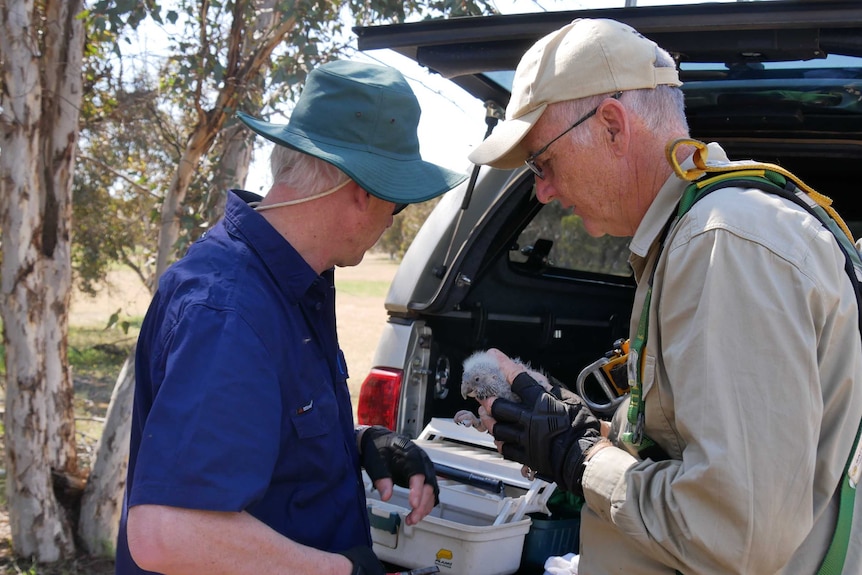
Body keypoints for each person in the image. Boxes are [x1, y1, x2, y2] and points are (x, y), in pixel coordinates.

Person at [468, 18, 862, 574]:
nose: (542, 190)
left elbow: (737, 531)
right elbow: (696, 456)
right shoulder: (691, 238)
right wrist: (581, 429)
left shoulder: (722, 242)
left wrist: (580, 460)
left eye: (543, 162)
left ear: (611, 125)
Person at [115, 60, 467, 575]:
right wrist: (340, 571)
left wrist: (363, 443)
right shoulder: (230, 311)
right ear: (362, 190)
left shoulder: (289, 284)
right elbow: (168, 531)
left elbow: (253, 439)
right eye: (397, 206)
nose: (392, 222)